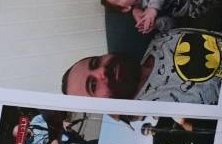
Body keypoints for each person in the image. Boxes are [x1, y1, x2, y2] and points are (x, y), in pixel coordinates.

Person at [60, 29, 222, 103]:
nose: (102, 70)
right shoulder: (158, 114)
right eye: (93, 85)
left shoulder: (159, 39)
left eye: (95, 63)